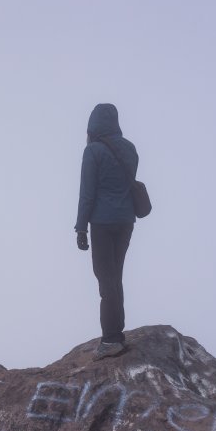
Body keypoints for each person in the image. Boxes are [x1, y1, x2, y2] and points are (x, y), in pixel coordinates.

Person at [74, 103, 139, 359]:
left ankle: (111, 340)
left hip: (102, 223)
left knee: (106, 280)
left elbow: (87, 193)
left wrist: (81, 228)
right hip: (126, 221)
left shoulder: (93, 151)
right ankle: (117, 333)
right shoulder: (130, 149)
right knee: (116, 276)